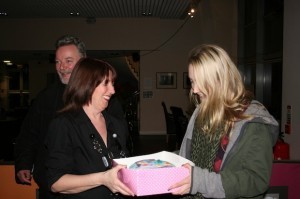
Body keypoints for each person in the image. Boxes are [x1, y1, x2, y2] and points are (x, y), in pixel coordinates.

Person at [14, 35, 128, 199]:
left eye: (68, 61)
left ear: (84, 64)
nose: (62, 67)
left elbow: (119, 150)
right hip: (57, 184)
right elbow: (29, 133)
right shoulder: (46, 99)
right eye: (58, 62)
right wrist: (24, 163)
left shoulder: (110, 107)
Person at [169, 44, 279, 199]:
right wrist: (164, 162)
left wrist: (200, 181)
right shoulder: (200, 112)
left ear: (221, 80)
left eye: (201, 81)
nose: (194, 90)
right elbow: (189, 155)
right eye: (192, 81)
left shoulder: (253, 122)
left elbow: (256, 180)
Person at [45, 57, 134, 199]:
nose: (112, 90)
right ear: (87, 84)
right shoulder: (64, 125)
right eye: (106, 83)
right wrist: (103, 178)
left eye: (112, 83)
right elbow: (56, 182)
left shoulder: (116, 124)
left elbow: (126, 166)